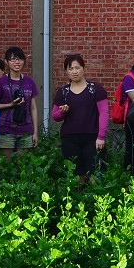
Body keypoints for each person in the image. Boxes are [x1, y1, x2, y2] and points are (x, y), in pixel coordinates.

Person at [51, 54, 109, 186]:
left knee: (95, 174)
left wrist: (101, 136)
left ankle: (95, 202)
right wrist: (62, 111)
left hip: (92, 138)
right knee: (76, 176)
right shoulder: (63, 92)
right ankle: (78, 203)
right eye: (70, 69)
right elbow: (55, 116)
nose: (74, 71)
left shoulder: (95, 89)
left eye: (77, 67)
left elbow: (104, 113)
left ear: (83, 68)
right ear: (66, 71)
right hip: (70, 139)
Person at [0, 46, 39, 158]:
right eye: (13, 59)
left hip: (26, 129)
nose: (17, 62)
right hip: (6, 129)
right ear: (7, 62)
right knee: (6, 166)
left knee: (24, 166)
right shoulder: (1, 82)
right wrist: (10, 105)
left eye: (20, 59)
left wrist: (35, 132)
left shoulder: (29, 81)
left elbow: (33, 107)